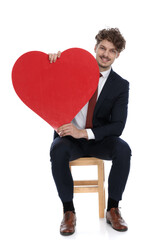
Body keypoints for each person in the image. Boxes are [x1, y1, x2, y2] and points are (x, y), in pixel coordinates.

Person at [49, 28, 131, 236]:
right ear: (95, 48)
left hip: (98, 139)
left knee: (123, 150)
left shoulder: (120, 85)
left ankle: (113, 208)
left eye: (111, 51)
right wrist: (53, 63)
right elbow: (48, 84)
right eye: (102, 48)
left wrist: (84, 133)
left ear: (117, 55)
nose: (105, 54)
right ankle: (68, 212)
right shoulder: (72, 71)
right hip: (69, 140)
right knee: (57, 150)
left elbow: (118, 126)